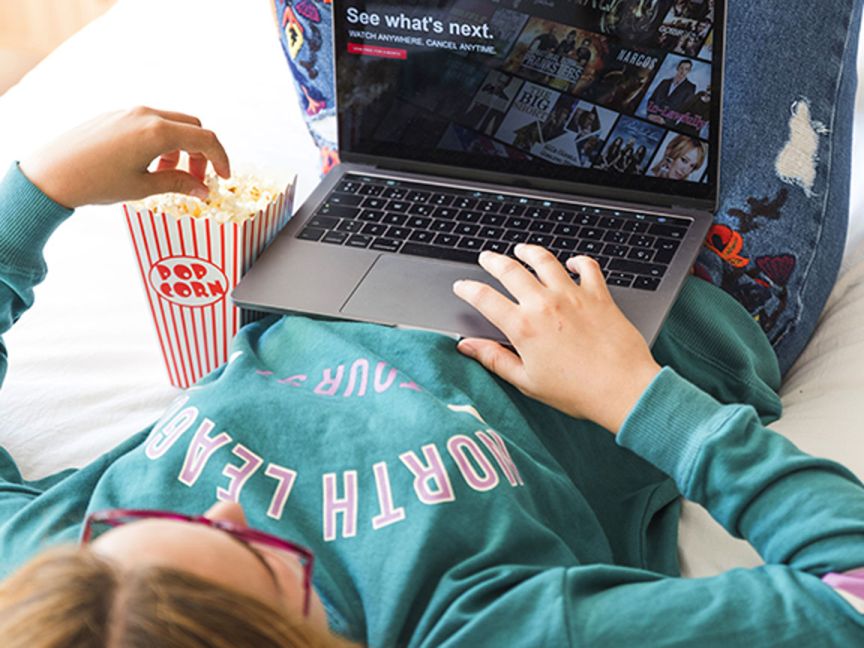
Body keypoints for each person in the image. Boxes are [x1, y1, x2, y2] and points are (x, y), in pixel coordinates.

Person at [1, 103, 864, 645]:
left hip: (387, 198)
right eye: (259, 556)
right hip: (691, 277)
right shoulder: (482, 627)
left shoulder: (75, 597)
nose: (225, 509)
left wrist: (36, 193)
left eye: (135, 521)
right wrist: (638, 400)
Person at [646, 58, 696, 126]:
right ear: (677, 68)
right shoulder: (664, 82)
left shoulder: (690, 87)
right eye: (681, 68)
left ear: (689, 71)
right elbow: (652, 99)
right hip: (651, 118)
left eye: (686, 69)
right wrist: (650, 114)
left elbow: (684, 109)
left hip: (666, 123)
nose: (683, 71)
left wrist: (666, 121)